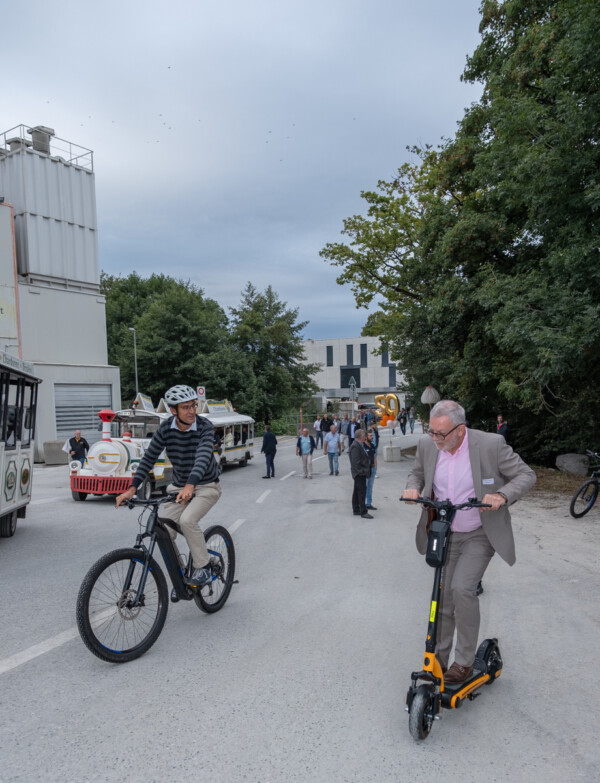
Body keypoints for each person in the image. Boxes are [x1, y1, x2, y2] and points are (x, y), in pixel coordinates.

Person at [402, 399, 536, 684]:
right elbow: (418, 473)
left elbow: (526, 474)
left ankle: (463, 663)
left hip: (478, 532)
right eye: (432, 432)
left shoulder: (490, 445)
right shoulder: (428, 445)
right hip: (444, 531)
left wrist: (502, 495)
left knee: (463, 589)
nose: (435, 439)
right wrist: (413, 487)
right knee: (443, 597)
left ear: (460, 430)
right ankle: (437, 662)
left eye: (442, 434)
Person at [115, 385, 221, 590]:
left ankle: (204, 566)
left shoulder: (204, 426)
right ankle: (181, 575)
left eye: (193, 406)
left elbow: (203, 456)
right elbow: (149, 458)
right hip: (179, 487)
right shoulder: (165, 429)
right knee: (165, 532)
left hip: (207, 484)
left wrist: (191, 484)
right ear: (173, 411)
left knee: (188, 520)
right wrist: (131, 488)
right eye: (185, 407)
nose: (192, 411)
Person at [348, 429, 373, 519]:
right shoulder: (355, 446)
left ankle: (356, 509)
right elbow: (355, 462)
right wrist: (361, 472)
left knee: (356, 492)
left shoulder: (359, 444)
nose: (365, 437)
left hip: (360, 472)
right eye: (364, 436)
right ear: (361, 437)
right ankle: (363, 511)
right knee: (362, 492)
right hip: (359, 474)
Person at [365, 429, 378, 511]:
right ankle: (362, 503)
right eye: (370, 435)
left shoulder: (372, 446)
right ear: (366, 437)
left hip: (372, 468)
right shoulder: (363, 446)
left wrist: (375, 468)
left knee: (370, 487)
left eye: (372, 435)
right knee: (364, 487)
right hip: (366, 469)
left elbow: (374, 457)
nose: (372, 437)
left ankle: (369, 503)